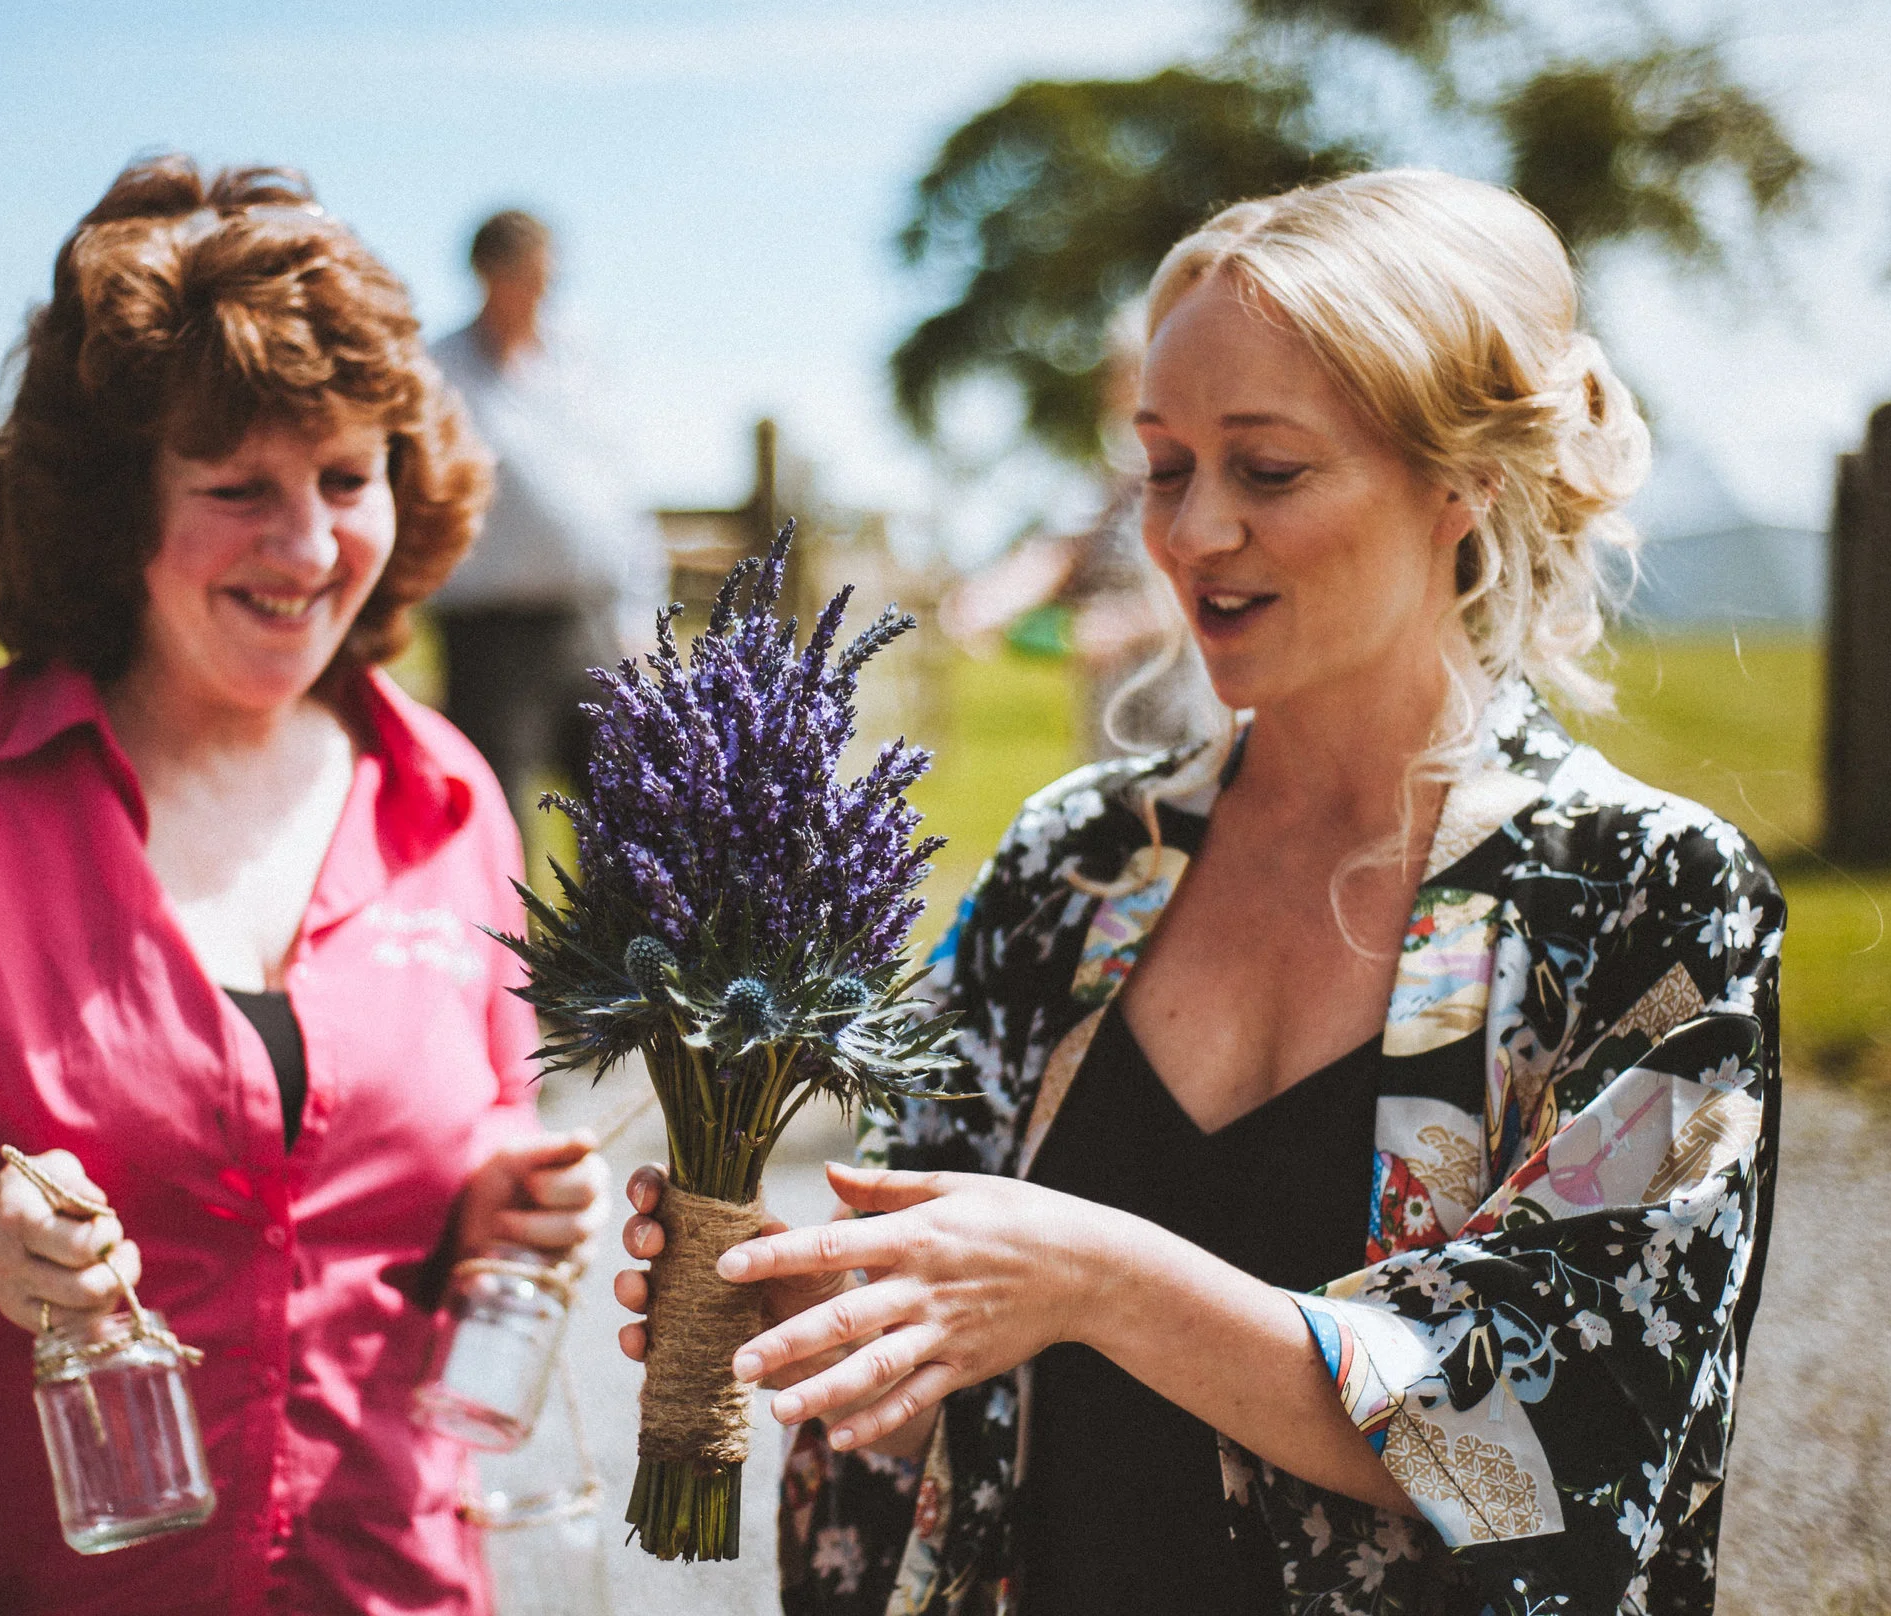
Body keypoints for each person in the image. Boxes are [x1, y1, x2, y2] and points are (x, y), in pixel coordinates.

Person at [615, 170, 1781, 1614]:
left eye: (1267, 469)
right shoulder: (1071, 863)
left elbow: (1573, 1442)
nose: (1190, 532)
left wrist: (1095, 1276)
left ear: (1461, 484)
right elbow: (958, 1422)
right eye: (1162, 467)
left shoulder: (1648, 900)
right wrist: (847, 1319)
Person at [0, 156, 608, 1616]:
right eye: (238, 489)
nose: (310, 546)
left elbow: (459, 1136)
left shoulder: (451, 798)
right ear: (113, 510)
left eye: (349, 479)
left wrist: (493, 1203)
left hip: (382, 1579)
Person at [430, 208, 662, 821]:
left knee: (623, 813)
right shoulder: (438, 374)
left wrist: (637, 611)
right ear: (487, 275)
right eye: (527, 277)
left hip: (586, 622)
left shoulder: (580, 365)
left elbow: (621, 494)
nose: (540, 294)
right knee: (496, 813)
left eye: (548, 279)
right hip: (487, 632)